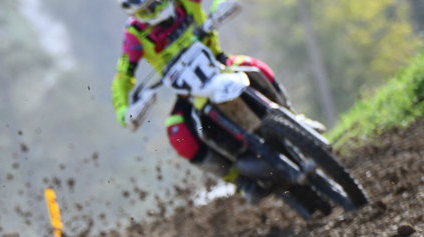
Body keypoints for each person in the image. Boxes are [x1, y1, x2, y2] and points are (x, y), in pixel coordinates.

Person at [110, 0, 305, 204]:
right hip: (189, 92)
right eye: (142, 13)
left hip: (219, 63)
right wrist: (124, 112)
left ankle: (294, 118)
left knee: (252, 66)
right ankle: (239, 180)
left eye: (152, 6)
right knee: (178, 132)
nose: (150, 14)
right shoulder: (134, 33)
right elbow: (122, 76)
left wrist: (218, 10)